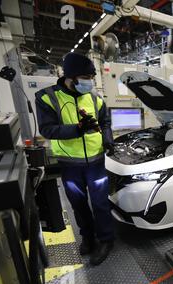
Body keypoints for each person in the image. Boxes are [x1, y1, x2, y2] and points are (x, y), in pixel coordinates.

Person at [36, 53, 115, 266]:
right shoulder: (47, 97)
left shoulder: (96, 98)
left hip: (96, 162)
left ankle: (106, 240)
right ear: (70, 76)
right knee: (78, 204)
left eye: (92, 76)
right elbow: (47, 129)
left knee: (100, 203)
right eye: (85, 76)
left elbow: (106, 122)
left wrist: (107, 139)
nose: (90, 81)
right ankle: (88, 238)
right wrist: (78, 129)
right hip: (70, 163)